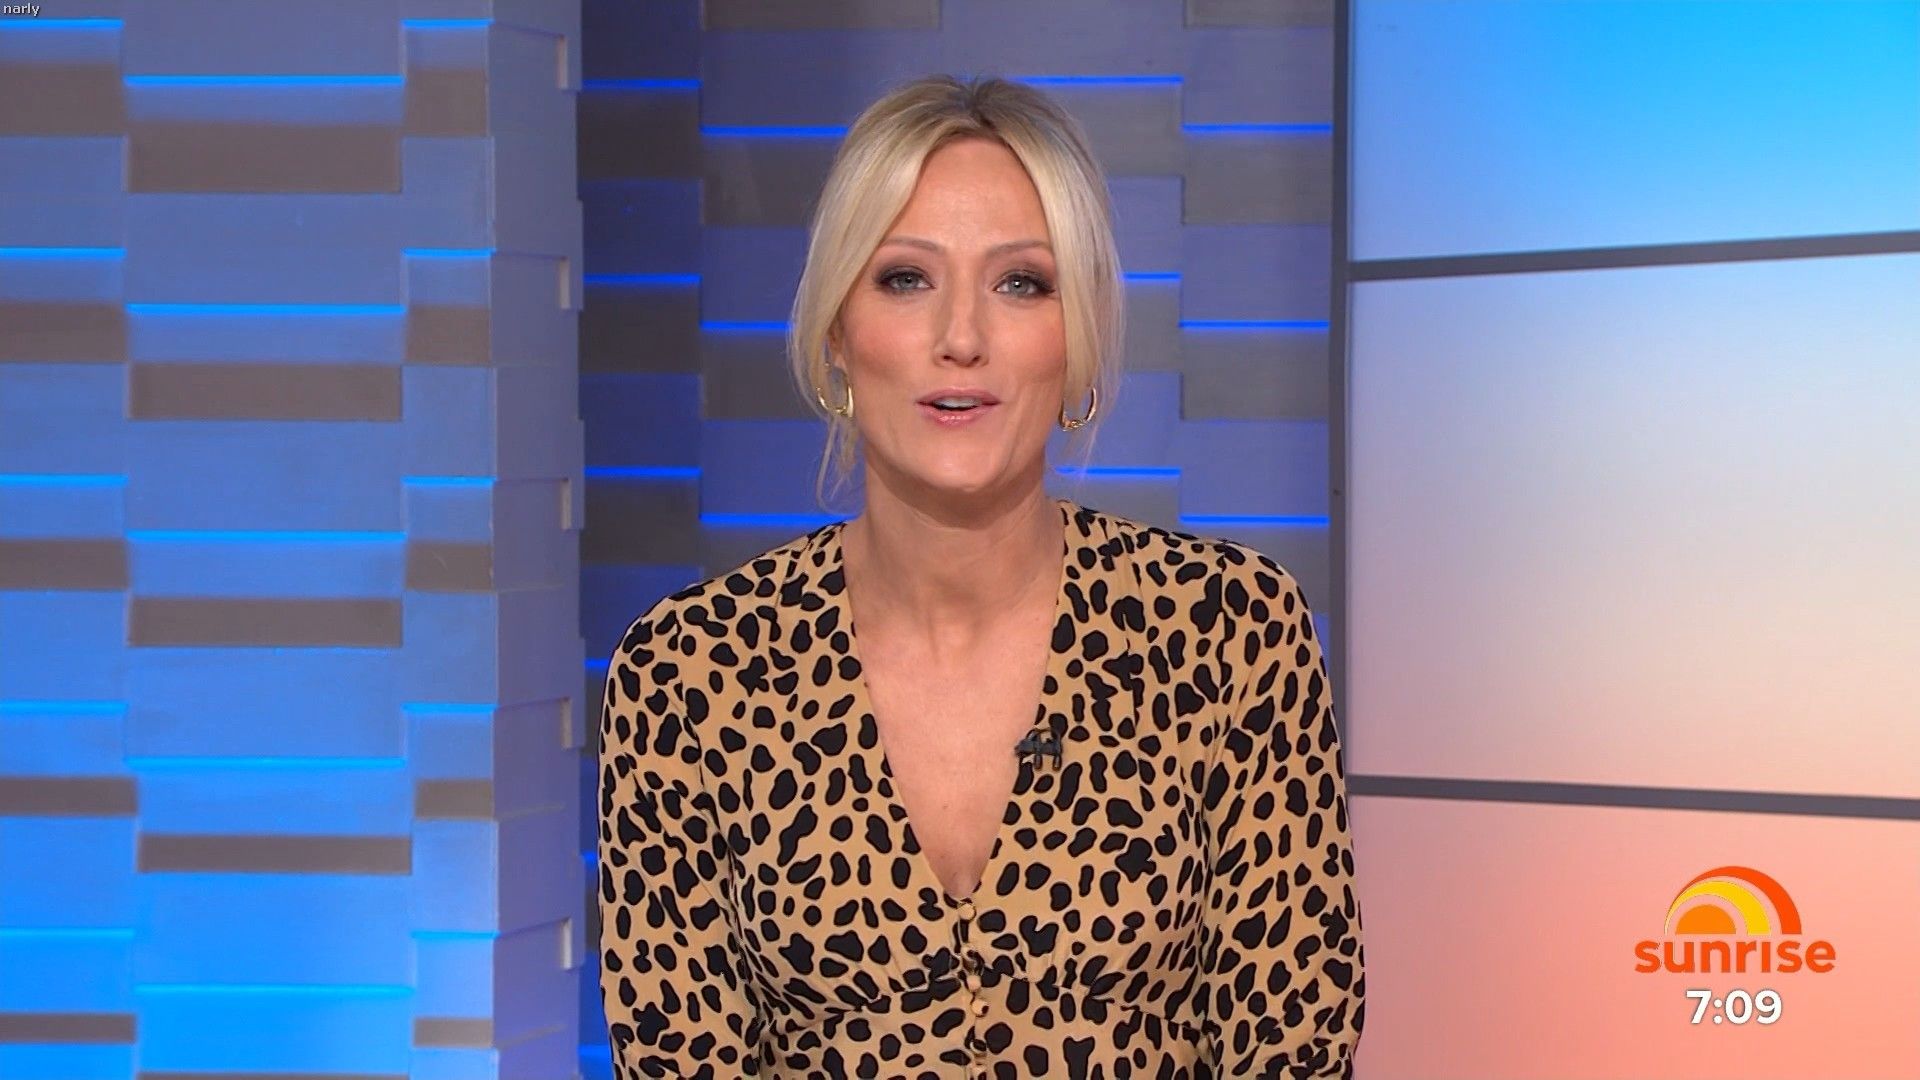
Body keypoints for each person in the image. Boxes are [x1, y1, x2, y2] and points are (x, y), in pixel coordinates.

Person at [596, 73, 1365, 1079]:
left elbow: (1295, 1040)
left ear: (1078, 338)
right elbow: (677, 1053)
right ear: (836, 332)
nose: (961, 338)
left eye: (1021, 284)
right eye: (905, 278)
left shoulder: (1230, 630)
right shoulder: (689, 670)